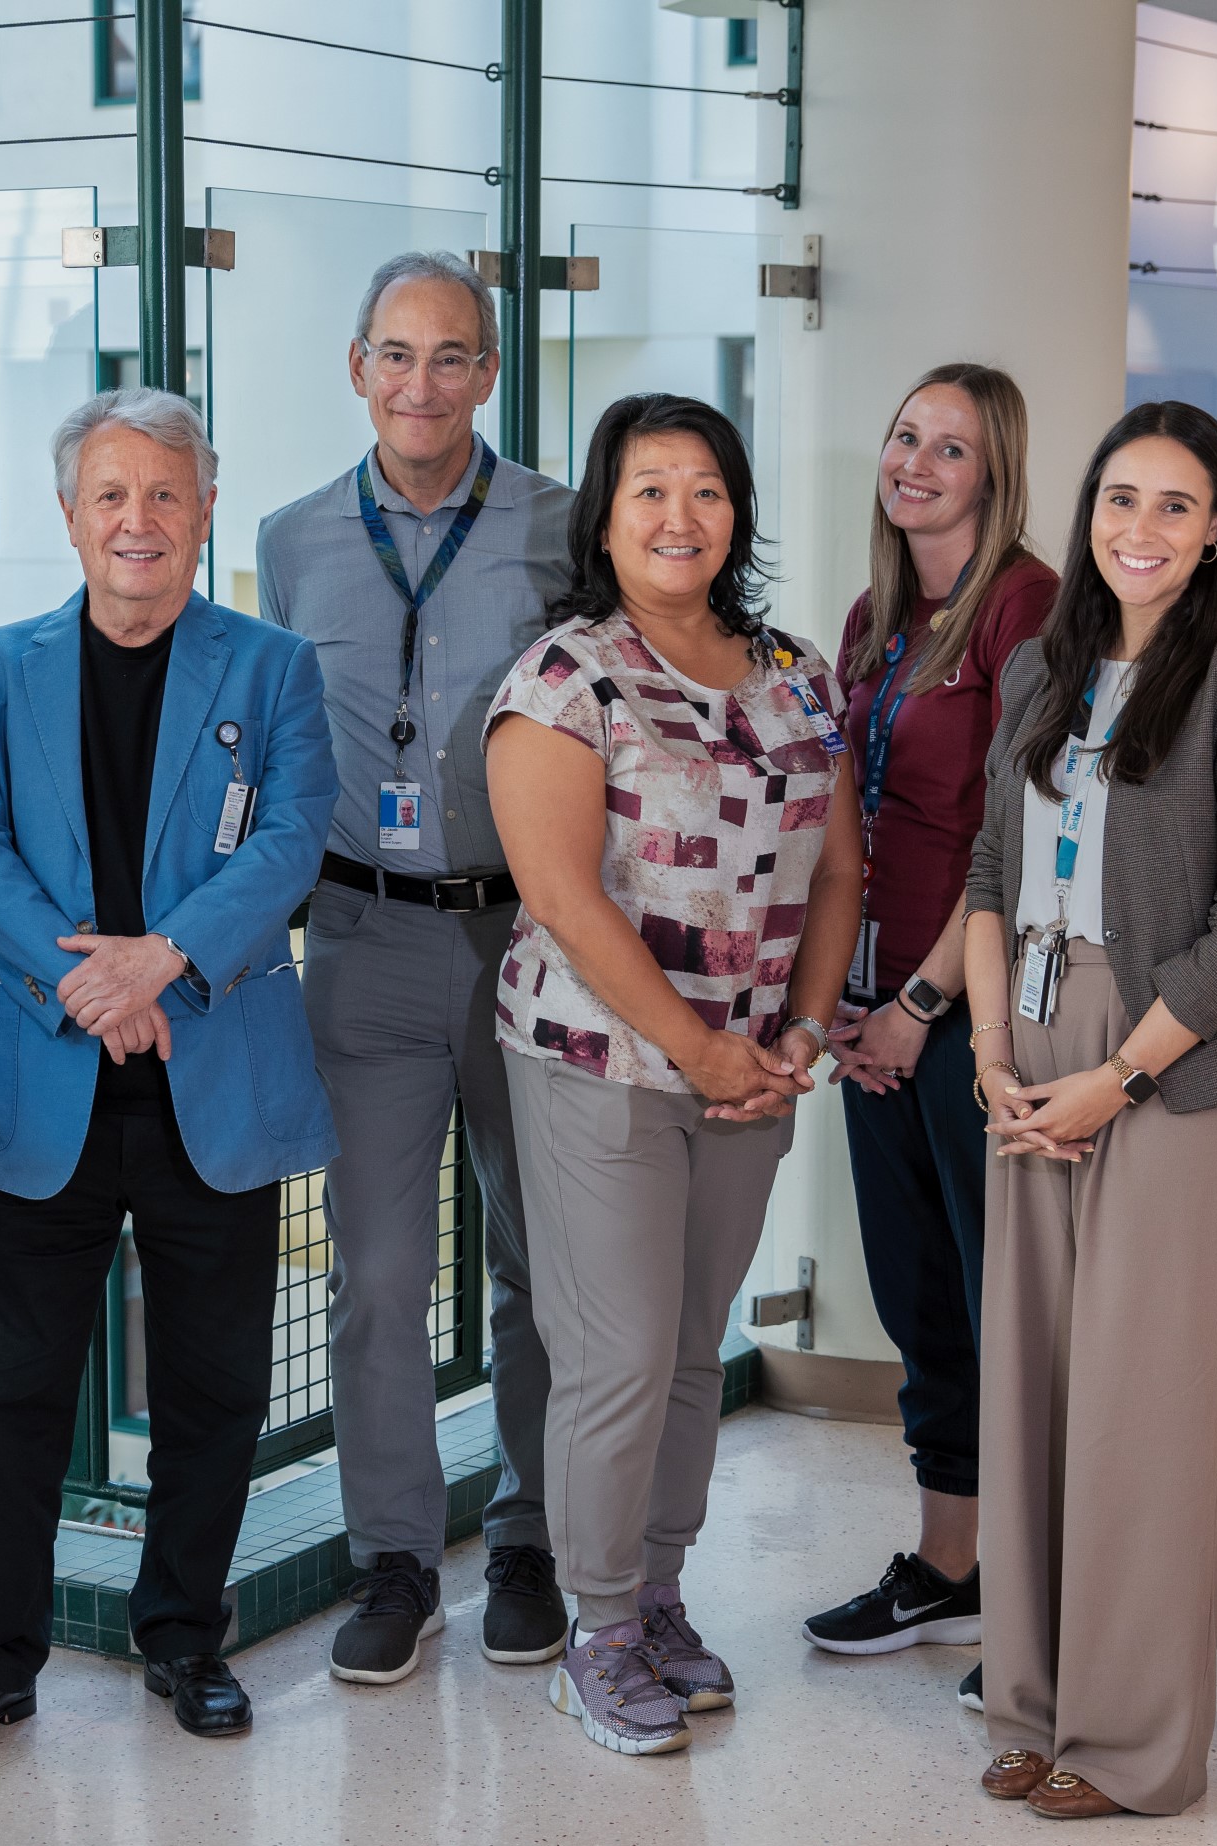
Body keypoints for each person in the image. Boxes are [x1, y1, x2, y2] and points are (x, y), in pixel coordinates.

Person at [0, 389, 338, 1764]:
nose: (137, 520)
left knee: (215, 1388)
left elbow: (294, 840)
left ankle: (186, 1639)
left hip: (216, 1081)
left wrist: (164, 962)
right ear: (70, 514)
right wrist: (92, 987)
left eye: (164, 494)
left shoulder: (273, 669)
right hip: (47, 1082)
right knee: (12, 1391)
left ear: (204, 511)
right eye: (110, 495)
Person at [958, 402, 1217, 1821]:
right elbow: (988, 875)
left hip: (1176, 1058)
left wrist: (1117, 1080)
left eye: (1178, 504)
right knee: (1034, 1390)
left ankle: (1130, 1744)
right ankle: (1031, 1702)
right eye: (1122, 497)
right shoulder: (1041, 670)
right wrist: (991, 1053)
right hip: (1031, 1034)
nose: (1143, 528)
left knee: (1146, 1408)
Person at [486, 393, 861, 1757]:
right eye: (649, 488)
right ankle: (592, 1632)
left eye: (705, 488)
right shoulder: (562, 679)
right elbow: (563, 899)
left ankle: (656, 1596)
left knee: (695, 1347)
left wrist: (803, 1033)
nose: (678, 515)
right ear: (605, 516)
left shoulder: (798, 672)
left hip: (753, 1071)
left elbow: (840, 870)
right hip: (601, 1064)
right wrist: (700, 1049)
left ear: (737, 513)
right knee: (621, 1355)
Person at [254, 251, 572, 1686]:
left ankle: (529, 1538)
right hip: (363, 936)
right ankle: (393, 1556)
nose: (421, 383)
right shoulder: (291, 539)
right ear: (356, 368)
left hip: (532, 939)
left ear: (488, 372)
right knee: (378, 1275)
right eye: (397, 354)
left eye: (451, 356)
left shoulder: (562, 527)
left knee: (540, 1263)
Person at [801, 364, 1059, 1696]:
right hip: (877, 1008)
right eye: (906, 435)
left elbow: (1019, 836)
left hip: (973, 1016)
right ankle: (948, 1569)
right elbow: (855, 820)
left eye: (951, 448)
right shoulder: (875, 617)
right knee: (920, 1300)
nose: (916, 462)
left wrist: (919, 1006)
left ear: (993, 472)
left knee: (1003, 1303)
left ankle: (1046, 1606)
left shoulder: (1029, 609)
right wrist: (845, 1001)